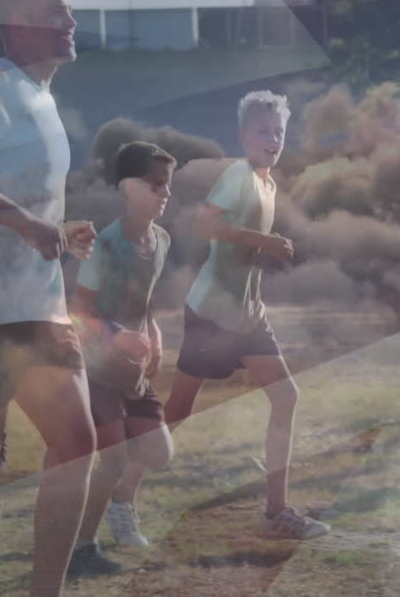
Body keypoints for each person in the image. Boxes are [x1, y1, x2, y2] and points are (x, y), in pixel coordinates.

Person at [0, 0, 98, 597]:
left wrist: (57, 232)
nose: (70, 21)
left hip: (40, 311)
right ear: (19, 22)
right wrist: (25, 224)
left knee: (77, 444)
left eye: (68, 10)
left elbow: (21, 198)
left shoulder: (41, 95)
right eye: (55, 12)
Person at [161, 91, 330, 540]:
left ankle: (276, 514)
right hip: (211, 314)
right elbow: (206, 226)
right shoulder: (238, 175)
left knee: (286, 397)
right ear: (243, 136)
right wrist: (264, 241)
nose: (272, 139)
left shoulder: (268, 184)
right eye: (262, 131)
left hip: (249, 315)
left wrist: (264, 252)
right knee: (178, 409)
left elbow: (239, 245)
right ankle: (117, 487)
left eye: (278, 131)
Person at [65, 141, 176, 576]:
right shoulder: (105, 245)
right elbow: (79, 309)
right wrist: (117, 335)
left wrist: (155, 335)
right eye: (156, 184)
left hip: (135, 370)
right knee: (112, 461)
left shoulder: (162, 240)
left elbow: (143, 301)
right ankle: (81, 548)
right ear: (129, 187)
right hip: (97, 369)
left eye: (167, 184)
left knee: (158, 452)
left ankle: (116, 505)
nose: (165, 193)